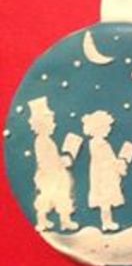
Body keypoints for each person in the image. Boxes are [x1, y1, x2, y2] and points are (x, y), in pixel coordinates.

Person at [28, 96, 78, 231]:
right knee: (47, 197)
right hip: (49, 174)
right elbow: (46, 160)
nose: (53, 124)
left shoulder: (48, 140)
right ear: (41, 125)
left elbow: (53, 157)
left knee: (62, 196)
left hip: (57, 173)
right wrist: (61, 162)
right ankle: (42, 220)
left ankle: (65, 221)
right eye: (51, 122)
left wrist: (62, 160)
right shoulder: (41, 141)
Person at [82, 110, 128, 231]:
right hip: (103, 175)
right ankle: (106, 223)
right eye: (107, 127)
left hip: (104, 172)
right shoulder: (99, 144)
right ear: (99, 128)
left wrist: (117, 163)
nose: (109, 130)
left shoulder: (100, 143)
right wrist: (117, 163)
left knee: (106, 200)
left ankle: (107, 222)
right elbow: (105, 159)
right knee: (105, 200)